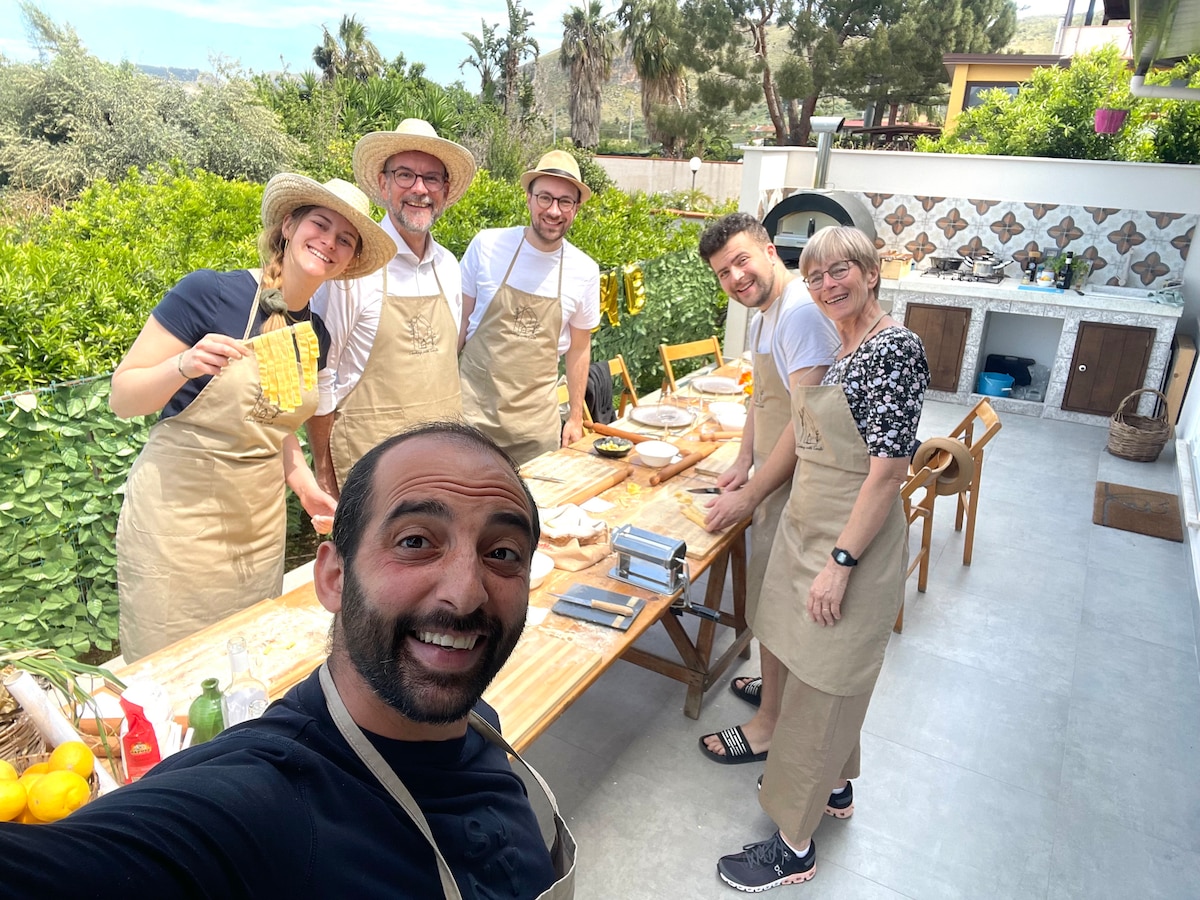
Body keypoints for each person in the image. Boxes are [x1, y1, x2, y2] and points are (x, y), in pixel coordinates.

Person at [0, 423, 576, 899]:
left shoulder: (480, 727)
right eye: (415, 542)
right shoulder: (259, 803)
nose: (466, 592)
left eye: (502, 553)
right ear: (332, 576)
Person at [714, 226, 929, 892]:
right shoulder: (846, 343)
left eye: (842, 272)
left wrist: (841, 561)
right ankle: (835, 787)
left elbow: (887, 473)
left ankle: (793, 848)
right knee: (815, 669)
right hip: (818, 523)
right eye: (816, 276)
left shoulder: (896, 347)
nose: (828, 285)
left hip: (850, 539)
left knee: (824, 684)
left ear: (871, 273)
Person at [111, 174, 394, 662]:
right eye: (320, 224)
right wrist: (183, 364)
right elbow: (123, 397)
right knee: (171, 669)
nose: (329, 242)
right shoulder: (209, 293)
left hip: (257, 532)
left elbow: (273, 425)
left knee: (243, 663)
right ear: (288, 224)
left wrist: (306, 487)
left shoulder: (315, 333)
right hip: (178, 527)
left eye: (344, 239)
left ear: (348, 260)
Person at [694, 213, 839, 766]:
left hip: (801, 482)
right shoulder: (763, 313)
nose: (734, 277)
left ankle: (768, 726)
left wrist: (750, 495)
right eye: (722, 272)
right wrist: (741, 459)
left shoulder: (800, 313)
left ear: (770, 251)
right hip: (774, 472)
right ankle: (772, 690)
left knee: (775, 605)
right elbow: (763, 397)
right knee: (768, 600)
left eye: (741, 261)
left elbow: (806, 427)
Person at [308, 119, 477, 496]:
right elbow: (322, 378)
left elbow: (446, 360)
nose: (419, 189)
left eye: (431, 178)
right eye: (405, 175)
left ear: (445, 190)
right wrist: (323, 476)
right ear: (383, 183)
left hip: (443, 469)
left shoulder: (449, 267)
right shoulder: (353, 269)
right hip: (372, 478)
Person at [458, 150, 600, 465]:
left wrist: (576, 417)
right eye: (545, 198)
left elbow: (579, 349)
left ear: (576, 209)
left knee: (534, 512)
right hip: (471, 419)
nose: (554, 210)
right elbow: (458, 324)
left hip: (535, 431)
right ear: (528, 198)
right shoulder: (487, 246)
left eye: (565, 202)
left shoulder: (585, 270)